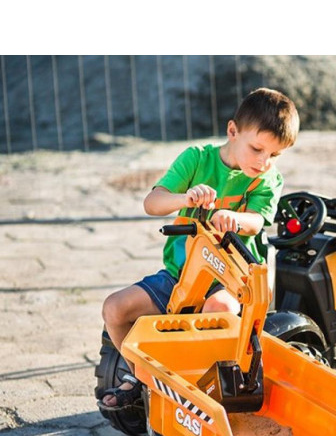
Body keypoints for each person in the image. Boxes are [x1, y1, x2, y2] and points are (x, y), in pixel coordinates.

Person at [99, 87, 299, 410]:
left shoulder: (266, 180)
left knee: (216, 312)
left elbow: (257, 222)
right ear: (232, 131)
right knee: (114, 309)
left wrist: (232, 217)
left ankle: (200, 391)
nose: (264, 162)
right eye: (258, 149)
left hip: (233, 280)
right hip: (180, 276)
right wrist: (185, 198)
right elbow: (152, 202)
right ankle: (142, 377)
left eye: (274, 156)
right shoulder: (196, 160)